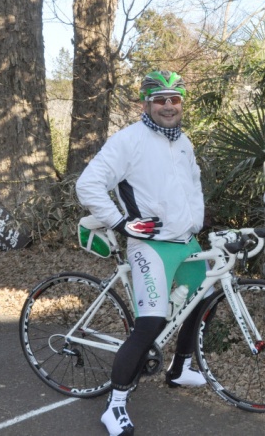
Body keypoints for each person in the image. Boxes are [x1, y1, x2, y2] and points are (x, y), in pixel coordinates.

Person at [76, 70, 209, 436]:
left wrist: (197, 223)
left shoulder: (184, 142)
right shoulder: (129, 140)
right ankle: (114, 405)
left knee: (200, 302)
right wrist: (120, 223)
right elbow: (88, 184)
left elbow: (192, 188)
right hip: (150, 244)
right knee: (150, 324)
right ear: (146, 104)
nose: (168, 105)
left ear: (181, 103)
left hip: (186, 241)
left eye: (175, 99)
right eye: (160, 99)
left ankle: (180, 368)